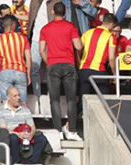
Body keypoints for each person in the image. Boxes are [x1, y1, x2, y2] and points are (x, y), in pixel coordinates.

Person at [39, 2, 82, 141]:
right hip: (69, 64)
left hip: (53, 65)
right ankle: (72, 131)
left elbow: (41, 50)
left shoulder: (45, 28)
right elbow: (78, 46)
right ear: (65, 13)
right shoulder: (71, 27)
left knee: (55, 100)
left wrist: (49, 62)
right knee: (71, 100)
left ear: (52, 12)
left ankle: (57, 131)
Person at [0, 87, 48, 164]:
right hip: (11, 134)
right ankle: (16, 162)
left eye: (19, 95)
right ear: (8, 97)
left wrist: (31, 134)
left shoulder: (25, 110)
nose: (18, 98)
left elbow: (32, 126)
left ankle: (32, 162)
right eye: (15, 96)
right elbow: (3, 128)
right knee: (13, 138)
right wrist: (18, 134)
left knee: (41, 139)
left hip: (25, 132)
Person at [0, 15, 31, 103]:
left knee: (6, 102)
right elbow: (28, 58)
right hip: (20, 71)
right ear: (14, 25)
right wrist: (28, 74)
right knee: (22, 102)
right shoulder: (23, 38)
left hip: (5, 71)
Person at [79, 13, 117, 96]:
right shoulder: (110, 36)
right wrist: (115, 74)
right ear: (111, 24)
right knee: (103, 99)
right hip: (99, 70)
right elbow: (111, 58)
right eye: (113, 27)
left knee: (84, 99)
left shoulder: (87, 32)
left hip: (84, 70)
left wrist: (79, 63)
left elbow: (78, 49)